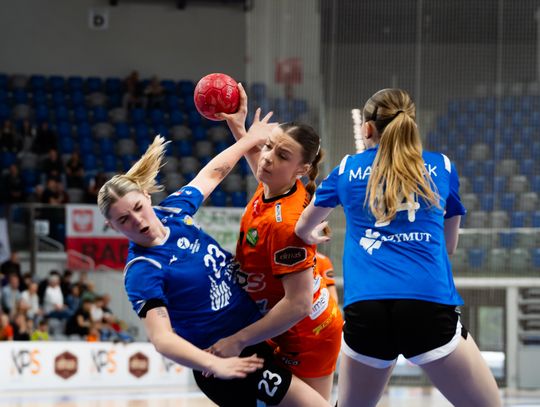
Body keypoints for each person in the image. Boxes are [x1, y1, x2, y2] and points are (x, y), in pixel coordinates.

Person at [294, 88, 501, 407]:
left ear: (367, 129)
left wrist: (311, 236)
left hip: (368, 308)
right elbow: (448, 245)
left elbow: (302, 227)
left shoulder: (348, 168)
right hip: (426, 304)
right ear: (411, 125)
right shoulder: (441, 166)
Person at [97, 129, 331, 406]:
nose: (137, 221)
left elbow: (213, 174)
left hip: (258, 336)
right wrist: (213, 364)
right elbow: (161, 339)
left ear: (147, 196)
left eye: (137, 207)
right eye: (124, 220)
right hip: (228, 358)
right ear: (112, 226)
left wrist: (248, 139)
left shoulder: (173, 213)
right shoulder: (142, 269)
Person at [212, 85, 343, 401]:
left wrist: (238, 340)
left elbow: (298, 305)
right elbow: (257, 158)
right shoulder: (274, 183)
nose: (267, 158)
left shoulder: (286, 225)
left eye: (281, 155)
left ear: (302, 170)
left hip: (307, 335)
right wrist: (239, 128)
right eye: (269, 146)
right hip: (285, 326)